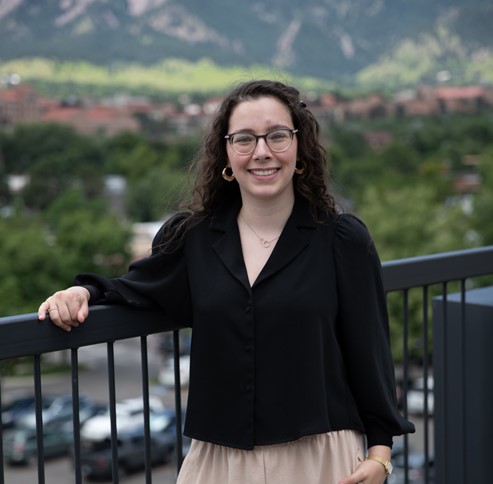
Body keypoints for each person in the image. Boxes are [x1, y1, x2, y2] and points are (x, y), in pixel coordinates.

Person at [38, 79, 414, 484]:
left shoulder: (342, 241)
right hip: (221, 464)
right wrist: (81, 292)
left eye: (277, 136)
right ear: (227, 154)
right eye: (245, 140)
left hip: (321, 458)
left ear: (299, 147)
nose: (262, 152)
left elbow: (369, 354)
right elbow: (135, 286)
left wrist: (380, 455)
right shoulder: (193, 239)